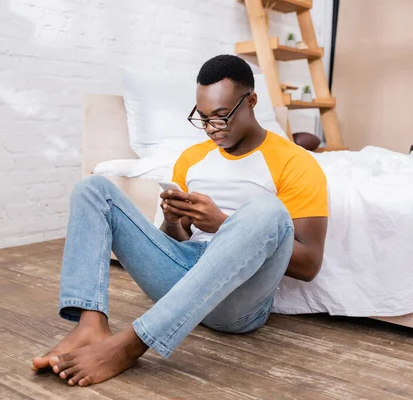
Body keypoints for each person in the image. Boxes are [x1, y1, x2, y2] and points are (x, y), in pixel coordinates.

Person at [31, 54, 329, 387]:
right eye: (202, 118)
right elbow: (174, 244)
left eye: (221, 116)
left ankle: (133, 343)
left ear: (252, 101)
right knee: (93, 190)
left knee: (266, 211)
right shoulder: (191, 159)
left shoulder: (296, 163)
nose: (212, 129)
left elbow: (310, 265)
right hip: (182, 279)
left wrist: (222, 224)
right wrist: (173, 221)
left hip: (236, 302)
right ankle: (90, 325)